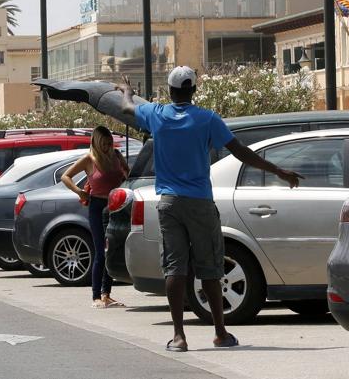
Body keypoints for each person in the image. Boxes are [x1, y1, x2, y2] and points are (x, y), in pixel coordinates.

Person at [118, 66, 303, 352]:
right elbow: (240, 151)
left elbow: (128, 106)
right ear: (193, 90)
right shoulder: (207, 119)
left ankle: (179, 337)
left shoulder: (157, 114)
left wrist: (128, 90)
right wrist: (278, 170)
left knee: (174, 269)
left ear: (169, 90)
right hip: (200, 203)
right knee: (210, 268)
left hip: (168, 203)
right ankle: (220, 333)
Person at [61, 126, 130, 309]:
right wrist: (80, 192)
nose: (108, 147)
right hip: (97, 206)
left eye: (110, 143)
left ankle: (107, 294)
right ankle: (96, 296)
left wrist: (125, 172)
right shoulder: (89, 159)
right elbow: (65, 176)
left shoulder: (115, 155)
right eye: (105, 144)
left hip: (115, 205)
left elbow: (127, 174)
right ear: (98, 143)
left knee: (112, 250)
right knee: (100, 251)